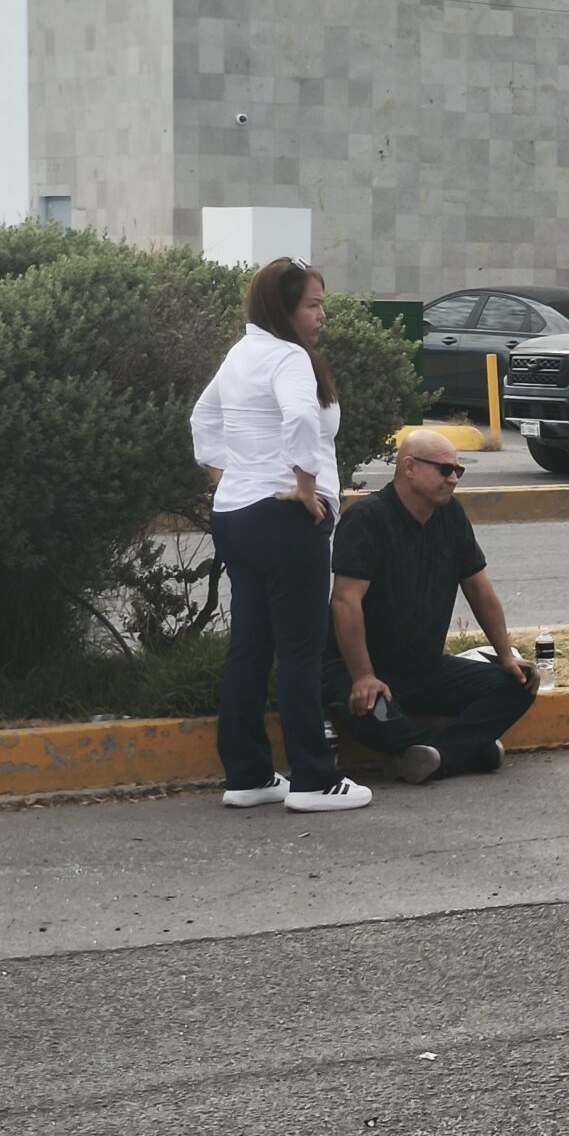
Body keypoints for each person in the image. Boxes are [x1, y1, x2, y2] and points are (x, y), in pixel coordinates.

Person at [192, 257, 371, 812]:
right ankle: (315, 780)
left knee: (250, 647)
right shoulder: (289, 358)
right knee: (300, 650)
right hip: (285, 519)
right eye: (313, 305)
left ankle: (248, 776)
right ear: (283, 308)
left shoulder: (242, 353)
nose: (321, 316)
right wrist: (305, 486)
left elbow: (202, 420)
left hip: (236, 517)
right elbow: (300, 419)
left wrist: (231, 477)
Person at [323, 427, 540, 781]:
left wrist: (506, 656)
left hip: (424, 669)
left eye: (458, 470)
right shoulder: (367, 519)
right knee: (375, 716)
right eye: (444, 470)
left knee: (519, 685)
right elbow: (345, 601)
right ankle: (465, 749)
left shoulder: (450, 515)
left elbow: (478, 589)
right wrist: (363, 676)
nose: (453, 479)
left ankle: (434, 755)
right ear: (409, 467)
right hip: (360, 670)